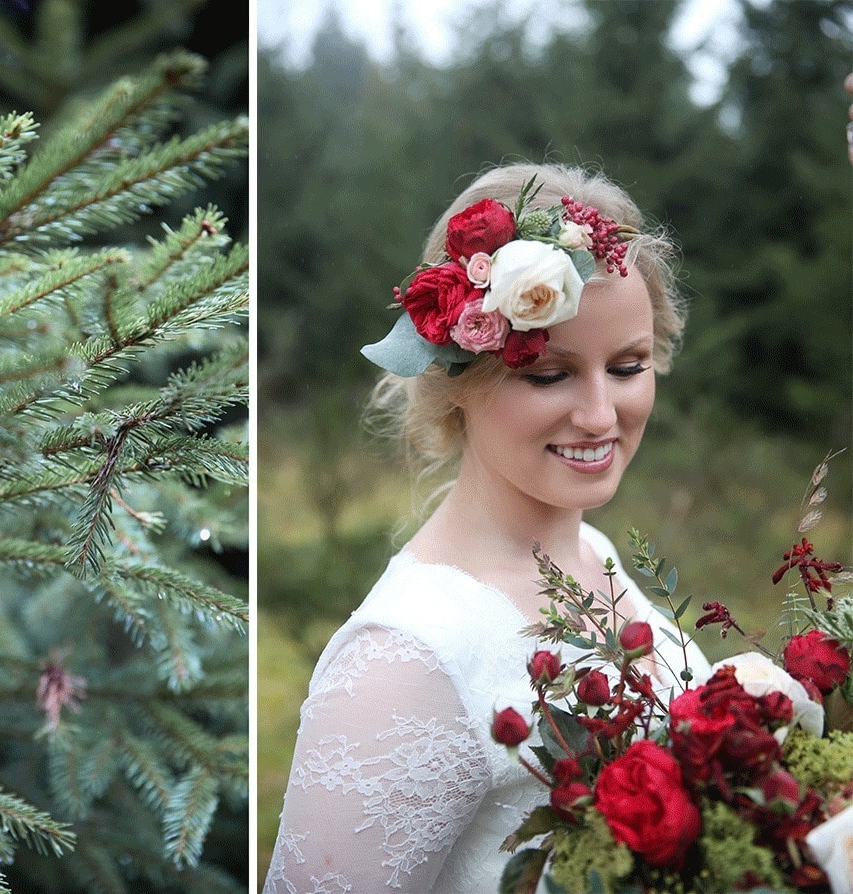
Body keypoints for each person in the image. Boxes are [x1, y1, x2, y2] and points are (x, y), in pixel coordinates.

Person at [261, 161, 712, 893]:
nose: (601, 415)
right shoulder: (405, 662)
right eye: (548, 374)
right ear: (456, 379)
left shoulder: (590, 553)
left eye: (627, 366)